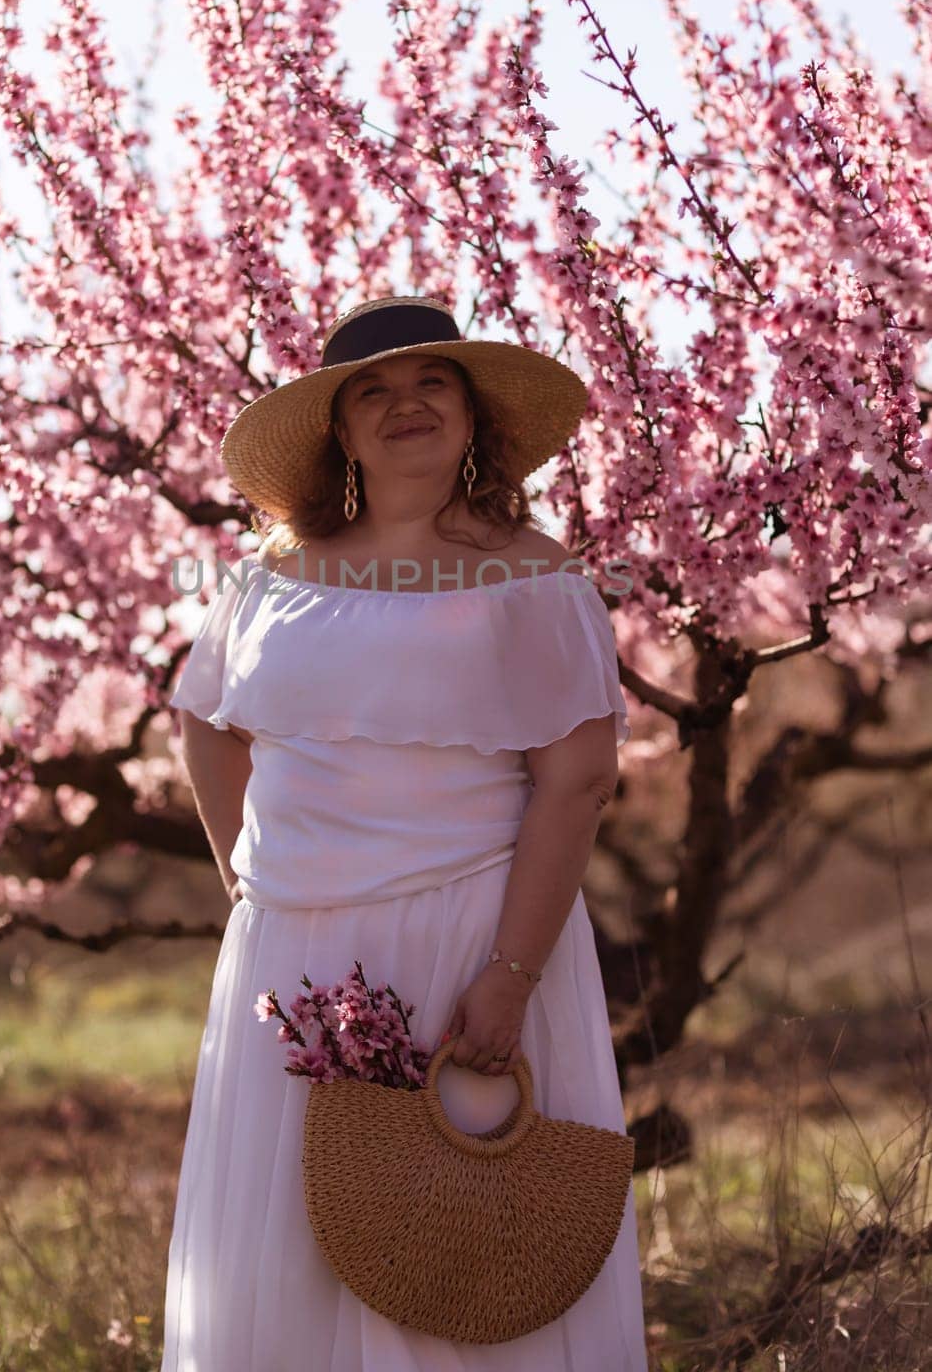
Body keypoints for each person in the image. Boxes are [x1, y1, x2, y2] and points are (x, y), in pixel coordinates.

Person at [160, 294, 648, 1369]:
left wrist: (511, 973)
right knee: (289, 1250)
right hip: (292, 957)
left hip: (468, 937)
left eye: (431, 381)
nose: (404, 404)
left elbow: (574, 780)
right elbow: (203, 721)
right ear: (339, 431)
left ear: (472, 415)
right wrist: (247, 882)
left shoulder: (532, 572)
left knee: (461, 1245)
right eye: (370, 391)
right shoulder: (268, 575)